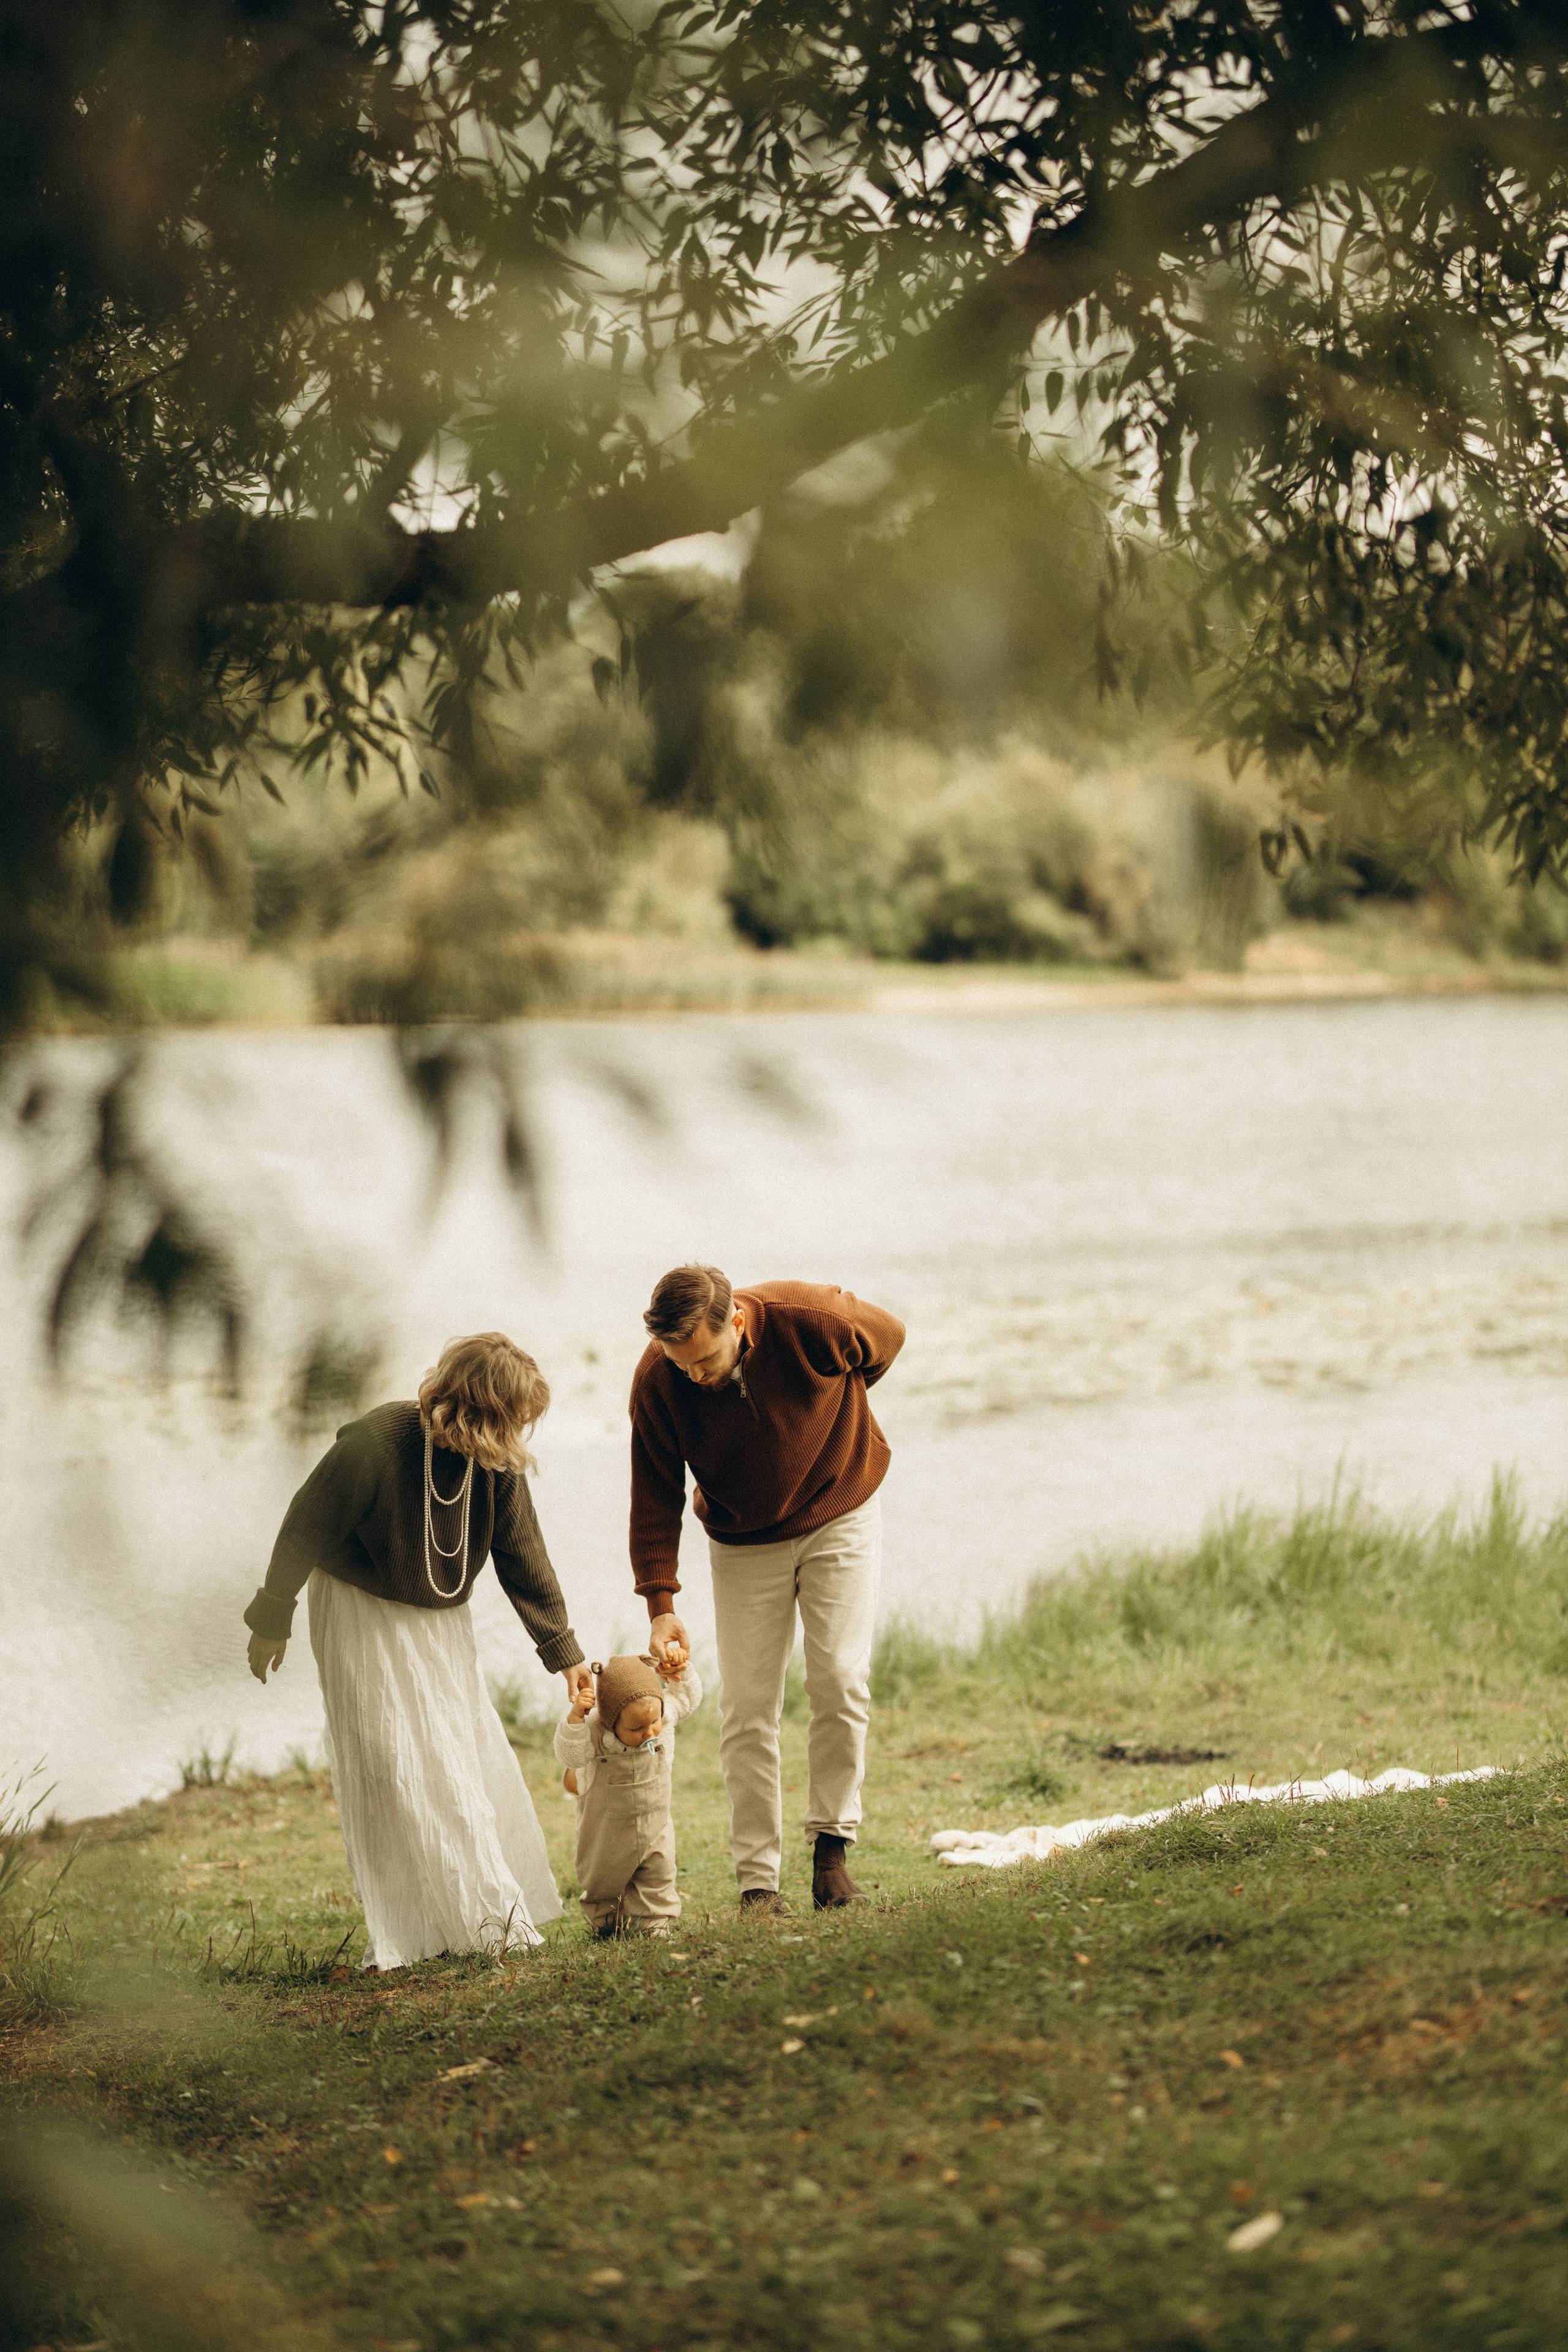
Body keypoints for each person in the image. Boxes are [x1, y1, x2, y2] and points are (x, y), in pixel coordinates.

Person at [244, 1332, 590, 1970]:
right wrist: (273, 1616)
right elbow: (304, 1524)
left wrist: (563, 1652)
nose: (519, 1430)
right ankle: (417, 1928)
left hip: (441, 1623)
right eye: (512, 1416)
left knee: (455, 1758)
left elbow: (523, 1556)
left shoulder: (497, 1462)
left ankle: (486, 1917)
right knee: (390, 1764)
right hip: (358, 1609)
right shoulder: (382, 1440)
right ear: (478, 1406)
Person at [628, 1266, 905, 1913]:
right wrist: (660, 1605)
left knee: (838, 1676)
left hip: (841, 1509)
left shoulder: (812, 1318)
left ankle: (831, 1853)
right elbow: (654, 1494)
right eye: (681, 1363)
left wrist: (839, 1413)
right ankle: (758, 1884)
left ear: (740, 1323)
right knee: (748, 1705)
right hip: (742, 1539)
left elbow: (886, 1339)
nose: (696, 1376)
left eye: (706, 1359)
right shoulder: (658, 1380)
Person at [553, 1647, 704, 1938]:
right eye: (637, 1728)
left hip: (655, 1821)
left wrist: (681, 1672)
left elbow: (687, 1698)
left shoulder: (663, 1717)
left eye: (653, 1723)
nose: (650, 1733)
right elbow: (571, 1755)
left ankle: (654, 1923)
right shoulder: (596, 1731)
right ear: (610, 1721)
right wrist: (575, 1719)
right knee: (604, 1877)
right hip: (607, 1827)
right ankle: (608, 1922)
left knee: (658, 1871)